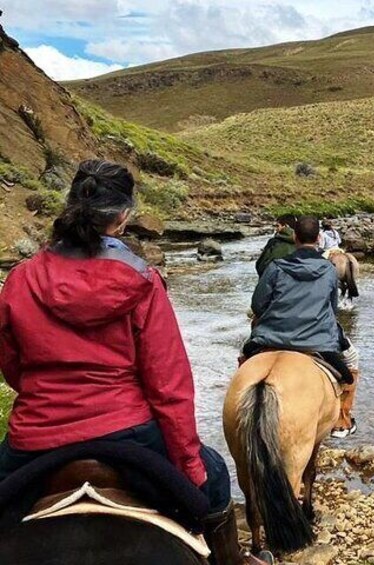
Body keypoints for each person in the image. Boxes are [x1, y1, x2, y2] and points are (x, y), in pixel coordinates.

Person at [0, 160, 269, 565]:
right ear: (123, 217)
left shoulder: (20, 279)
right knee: (213, 479)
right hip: (131, 435)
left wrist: (50, 394)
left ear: (70, 205)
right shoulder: (143, 282)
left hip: (36, 438)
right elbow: (169, 386)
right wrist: (190, 464)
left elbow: (12, 366)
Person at [243, 217, 360, 419]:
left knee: (244, 354)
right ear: (318, 238)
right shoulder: (329, 271)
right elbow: (332, 309)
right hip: (318, 340)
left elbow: (258, 305)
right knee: (352, 359)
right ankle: (343, 418)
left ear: (295, 237)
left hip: (271, 336)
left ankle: (242, 404)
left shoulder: (275, 267)